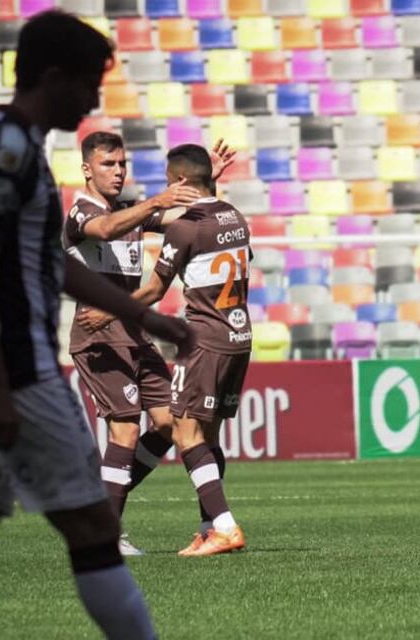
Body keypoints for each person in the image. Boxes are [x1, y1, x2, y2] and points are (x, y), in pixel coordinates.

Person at [0, 11, 190, 639]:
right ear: (54, 77)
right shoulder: (7, 154)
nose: (92, 100)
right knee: (93, 528)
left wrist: (143, 315)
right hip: (16, 372)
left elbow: (50, 267)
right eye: (88, 84)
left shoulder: (15, 149)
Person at [63, 131, 235, 555]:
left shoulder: (131, 211)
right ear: (87, 169)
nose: (118, 171)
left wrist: (205, 182)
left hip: (135, 335)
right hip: (98, 337)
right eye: (108, 164)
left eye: (122, 164)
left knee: (168, 425)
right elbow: (105, 230)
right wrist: (156, 201)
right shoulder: (80, 212)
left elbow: (186, 218)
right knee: (125, 428)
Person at [129, 144, 253, 557]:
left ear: (180, 181)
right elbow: (205, 217)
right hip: (238, 335)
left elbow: (154, 290)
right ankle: (208, 528)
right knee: (208, 434)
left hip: (203, 338)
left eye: (169, 182)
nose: (167, 189)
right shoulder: (234, 216)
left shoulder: (184, 228)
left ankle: (225, 527)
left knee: (183, 430)